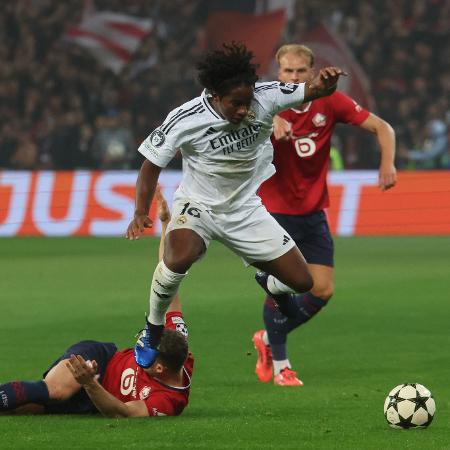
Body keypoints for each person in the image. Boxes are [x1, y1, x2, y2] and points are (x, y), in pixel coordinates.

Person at [125, 42, 347, 369]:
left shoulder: (266, 95)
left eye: (247, 103)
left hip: (245, 209)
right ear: (215, 95)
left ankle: (268, 282)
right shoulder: (185, 118)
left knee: (303, 283)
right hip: (198, 205)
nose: (245, 110)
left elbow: (310, 90)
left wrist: (325, 86)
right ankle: (153, 329)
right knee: (177, 259)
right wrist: (140, 211)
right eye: (236, 104)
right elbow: (150, 165)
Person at [252, 44, 397, 386]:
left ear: (312, 73)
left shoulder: (329, 101)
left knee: (323, 291)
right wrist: (270, 118)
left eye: (301, 72)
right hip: (274, 212)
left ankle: (267, 339)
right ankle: (282, 367)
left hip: (313, 212)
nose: (293, 77)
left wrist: (387, 163)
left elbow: (383, 128)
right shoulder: (265, 101)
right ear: (278, 73)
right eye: (287, 71)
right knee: (284, 287)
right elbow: (238, 113)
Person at [0, 189, 193, 417]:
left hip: (98, 398)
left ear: (159, 369)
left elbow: (123, 413)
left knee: (27, 409)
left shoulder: (167, 401)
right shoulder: (174, 338)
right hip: (100, 358)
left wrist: (91, 384)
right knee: (54, 391)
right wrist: (165, 222)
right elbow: (167, 277)